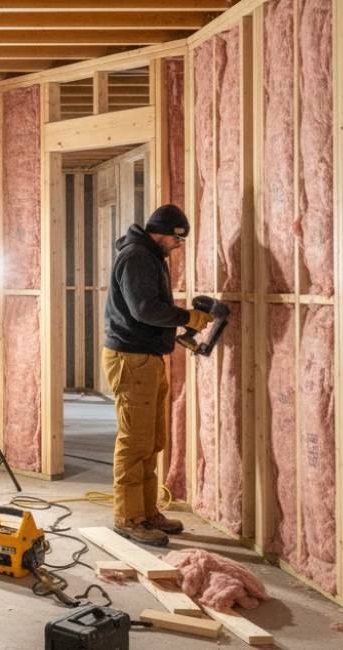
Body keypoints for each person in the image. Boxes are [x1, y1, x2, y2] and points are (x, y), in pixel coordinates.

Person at [103, 204, 213, 547]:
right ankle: (128, 517)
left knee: (151, 440)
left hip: (147, 357)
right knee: (134, 442)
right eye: (177, 239)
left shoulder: (149, 256)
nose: (178, 246)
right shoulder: (137, 256)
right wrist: (186, 318)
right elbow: (144, 309)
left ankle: (147, 511)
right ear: (162, 233)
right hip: (131, 358)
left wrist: (181, 323)